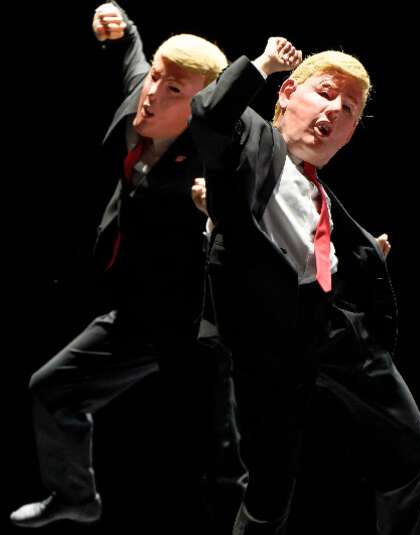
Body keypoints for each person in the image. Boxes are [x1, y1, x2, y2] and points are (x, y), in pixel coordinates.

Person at [10, 2, 245, 530]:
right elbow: (132, 51)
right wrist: (115, 23)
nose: (152, 92)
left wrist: (219, 212)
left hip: (194, 328)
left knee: (218, 460)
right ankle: (74, 495)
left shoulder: (217, 159)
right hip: (138, 314)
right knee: (52, 390)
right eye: (157, 77)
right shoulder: (142, 94)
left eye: (173, 89)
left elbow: (266, 209)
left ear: (203, 109)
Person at [189, 37, 420, 534]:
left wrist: (364, 258)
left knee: (411, 452)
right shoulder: (252, 141)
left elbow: (311, 246)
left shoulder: (319, 193)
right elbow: (210, 115)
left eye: (349, 109)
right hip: (269, 332)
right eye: (326, 93)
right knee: (268, 489)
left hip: (334, 325)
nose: (336, 110)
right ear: (287, 94)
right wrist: (264, 65)